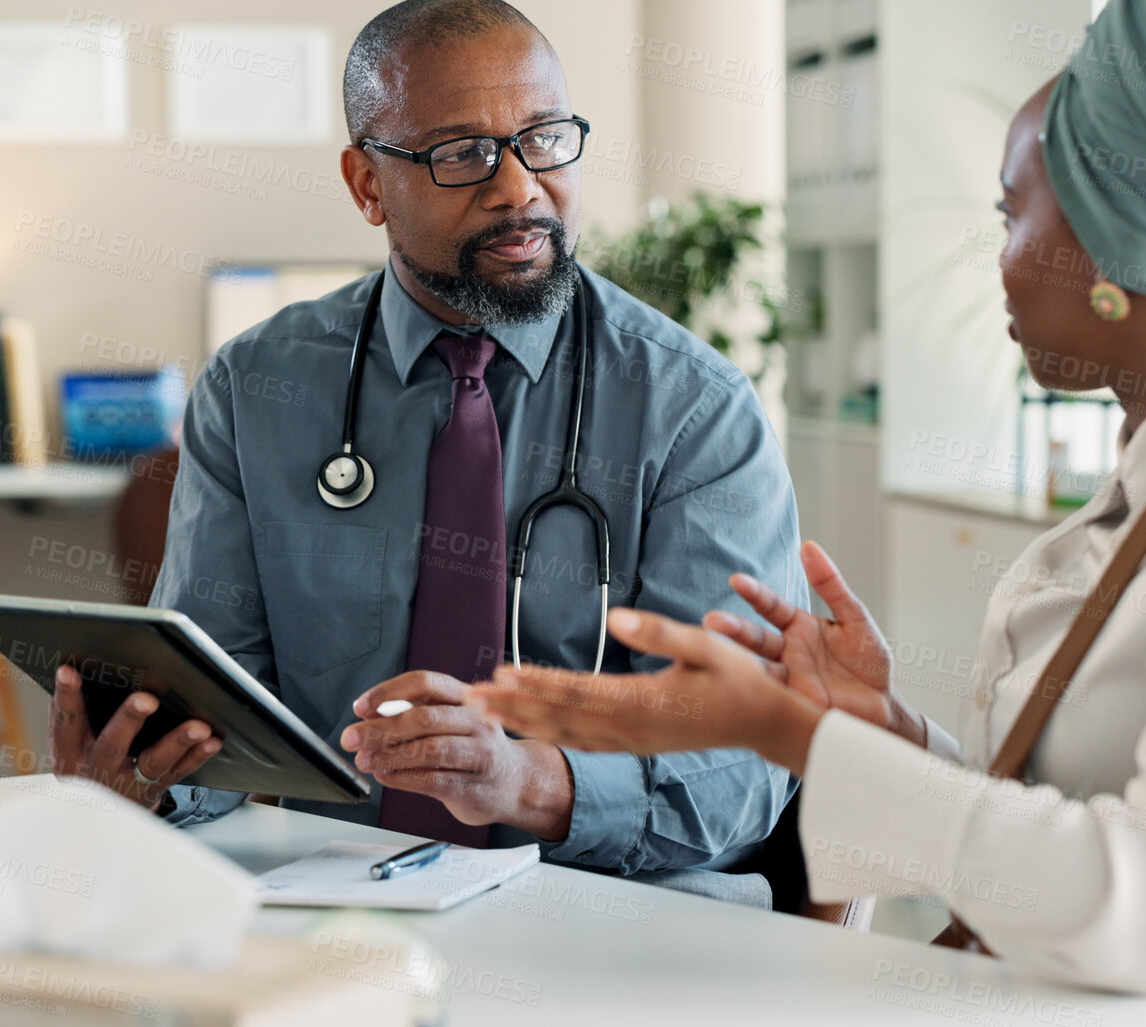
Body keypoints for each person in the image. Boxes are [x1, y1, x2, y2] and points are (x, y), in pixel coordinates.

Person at [472, 0, 1146, 992]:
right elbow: (1062, 833)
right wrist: (879, 730)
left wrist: (790, 736)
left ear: (1113, 243)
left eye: (1014, 216)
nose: (1000, 260)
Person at [45, 0, 805, 905]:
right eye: (462, 153)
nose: (519, 186)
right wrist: (147, 779)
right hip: (341, 901)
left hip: (623, 908)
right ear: (366, 184)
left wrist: (526, 780)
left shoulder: (693, 408)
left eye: (544, 138)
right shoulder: (256, 390)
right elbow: (219, 714)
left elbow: (745, 763)